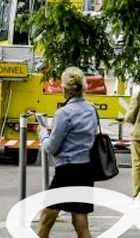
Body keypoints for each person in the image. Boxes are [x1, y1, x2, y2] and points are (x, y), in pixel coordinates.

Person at [36, 67, 97, 238]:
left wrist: (43, 133)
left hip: (66, 170)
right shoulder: (91, 110)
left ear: (65, 88)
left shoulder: (64, 113)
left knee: (46, 220)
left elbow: (51, 147)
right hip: (86, 169)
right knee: (80, 220)